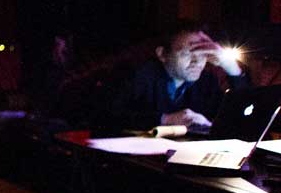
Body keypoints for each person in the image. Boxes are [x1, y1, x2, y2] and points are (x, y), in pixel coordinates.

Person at [104, 21, 244, 132]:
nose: (196, 62)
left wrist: (233, 69)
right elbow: (108, 116)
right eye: (186, 54)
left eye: (202, 54)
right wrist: (165, 119)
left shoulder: (206, 81)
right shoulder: (138, 76)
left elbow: (242, 116)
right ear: (162, 54)